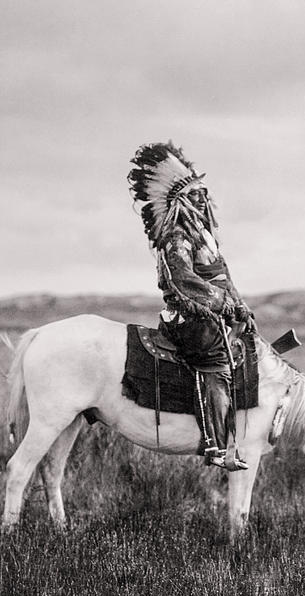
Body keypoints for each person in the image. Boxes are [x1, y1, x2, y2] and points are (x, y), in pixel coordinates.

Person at [128, 142, 251, 471]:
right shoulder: (176, 236)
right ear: (180, 201)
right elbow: (184, 282)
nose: (202, 197)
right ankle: (216, 446)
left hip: (215, 313)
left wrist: (239, 306)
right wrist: (223, 303)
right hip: (191, 318)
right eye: (194, 193)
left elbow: (223, 276)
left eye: (203, 191)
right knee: (214, 359)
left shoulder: (206, 235)